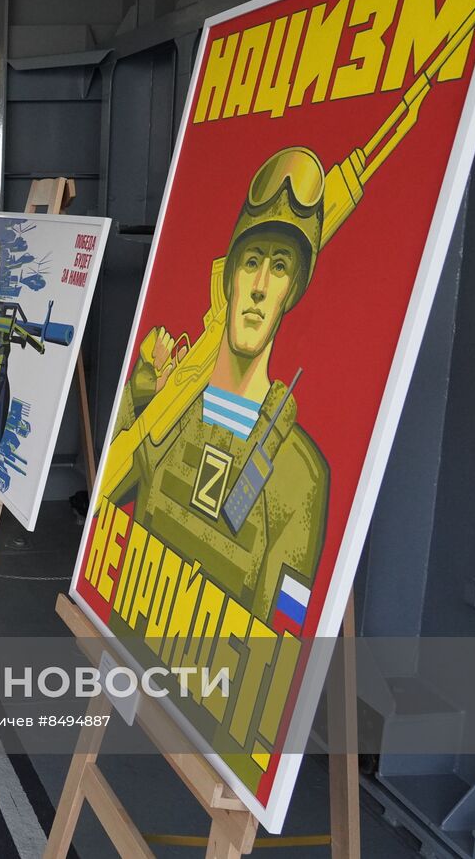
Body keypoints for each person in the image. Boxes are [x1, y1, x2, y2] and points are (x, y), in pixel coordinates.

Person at [102, 146, 330, 634]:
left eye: (282, 267)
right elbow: (105, 498)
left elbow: (279, 648)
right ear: (227, 278)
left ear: (292, 292)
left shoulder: (298, 475)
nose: (261, 286)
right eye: (251, 261)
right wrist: (140, 400)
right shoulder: (174, 407)